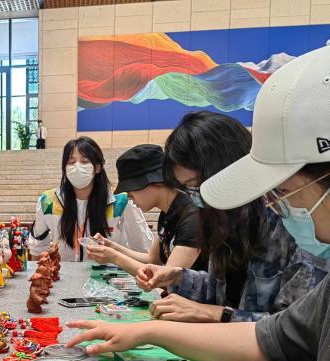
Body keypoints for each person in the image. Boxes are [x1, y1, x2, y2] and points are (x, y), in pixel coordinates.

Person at [65, 45, 330, 361]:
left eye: (286, 193)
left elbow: (256, 325)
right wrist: (149, 332)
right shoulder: (236, 226)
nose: (280, 206)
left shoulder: (288, 235)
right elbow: (273, 338)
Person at [137, 111, 329, 323]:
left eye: (196, 183)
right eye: (188, 188)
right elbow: (224, 289)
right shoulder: (224, 219)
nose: (196, 195)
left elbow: (295, 330)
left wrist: (217, 314)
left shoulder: (290, 222)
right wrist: (179, 276)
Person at [86, 144, 206, 275]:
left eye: (131, 189)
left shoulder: (192, 218)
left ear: (156, 182)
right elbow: (152, 259)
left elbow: (167, 277)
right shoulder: (167, 213)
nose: (129, 196)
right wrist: (112, 247)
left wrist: (114, 257)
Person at [29, 136, 153, 261]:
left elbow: (143, 247)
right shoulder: (48, 201)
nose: (77, 167)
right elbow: (37, 248)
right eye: (71, 162)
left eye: (84, 161)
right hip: (65, 276)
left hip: (109, 275)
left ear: (97, 167)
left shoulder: (121, 200)